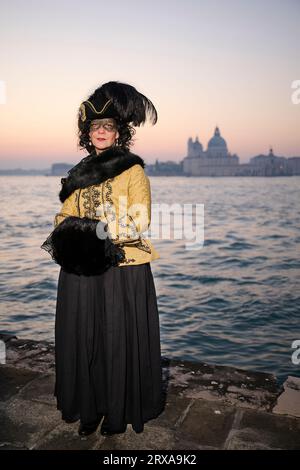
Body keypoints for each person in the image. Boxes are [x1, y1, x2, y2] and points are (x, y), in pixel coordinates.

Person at [41, 81, 164, 436]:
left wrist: (89, 229)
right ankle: (89, 408)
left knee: (115, 337)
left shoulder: (133, 171)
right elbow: (63, 217)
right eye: (95, 128)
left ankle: (117, 409)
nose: (101, 133)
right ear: (87, 134)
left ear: (118, 133)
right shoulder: (79, 174)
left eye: (108, 127)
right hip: (82, 268)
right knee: (86, 338)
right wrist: (78, 229)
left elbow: (139, 219)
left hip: (122, 268)